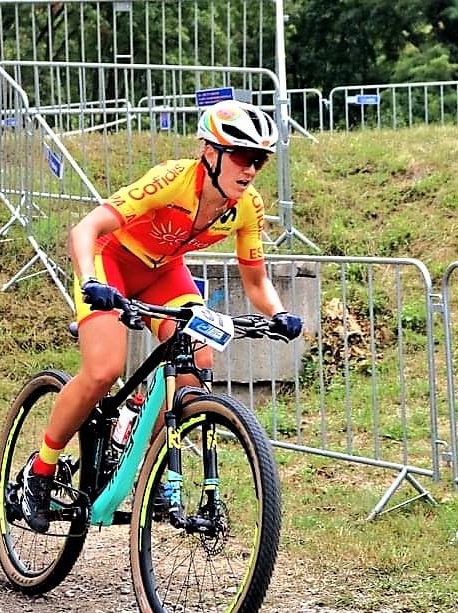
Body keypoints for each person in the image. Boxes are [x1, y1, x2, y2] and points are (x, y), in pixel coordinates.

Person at [20, 99, 304, 532]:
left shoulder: (248, 206)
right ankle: (41, 470)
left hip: (164, 272)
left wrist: (280, 314)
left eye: (259, 161)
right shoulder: (172, 179)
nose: (250, 169)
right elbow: (85, 229)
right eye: (242, 156)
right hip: (110, 261)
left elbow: (256, 281)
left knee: (197, 359)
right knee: (104, 369)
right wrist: (90, 281)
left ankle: (149, 469)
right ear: (210, 153)